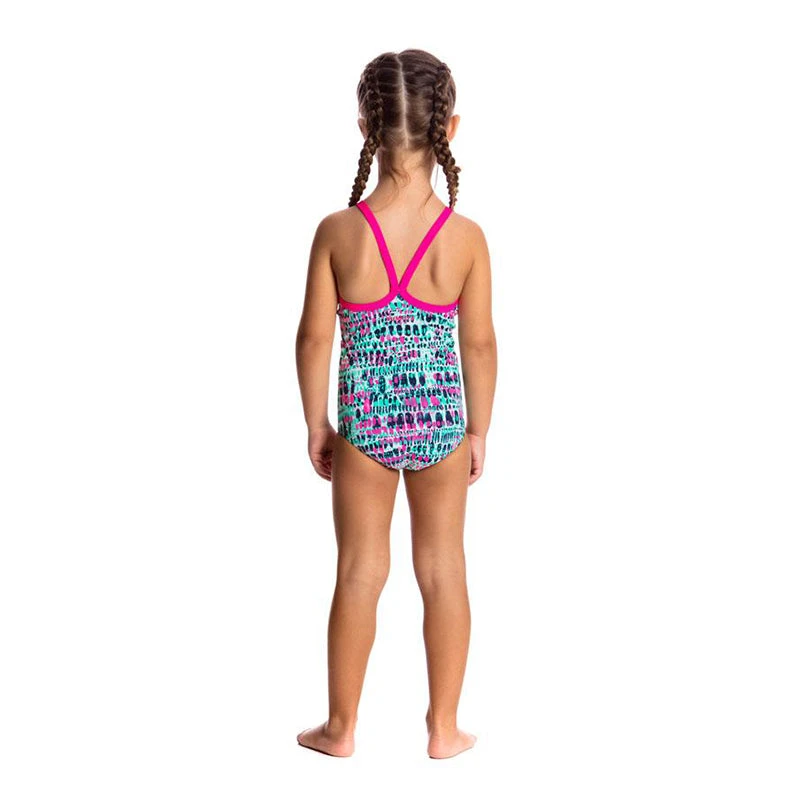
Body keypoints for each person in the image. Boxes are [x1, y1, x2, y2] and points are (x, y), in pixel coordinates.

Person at [294, 49, 497, 759]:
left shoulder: (339, 232)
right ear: (450, 127)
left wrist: (317, 422)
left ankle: (340, 728)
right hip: (442, 423)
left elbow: (314, 336)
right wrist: (477, 430)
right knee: (444, 569)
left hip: (365, 425)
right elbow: (479, 345)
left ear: (365, 127)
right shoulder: (464, 239)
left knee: (359, 571)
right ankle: (444, 729)